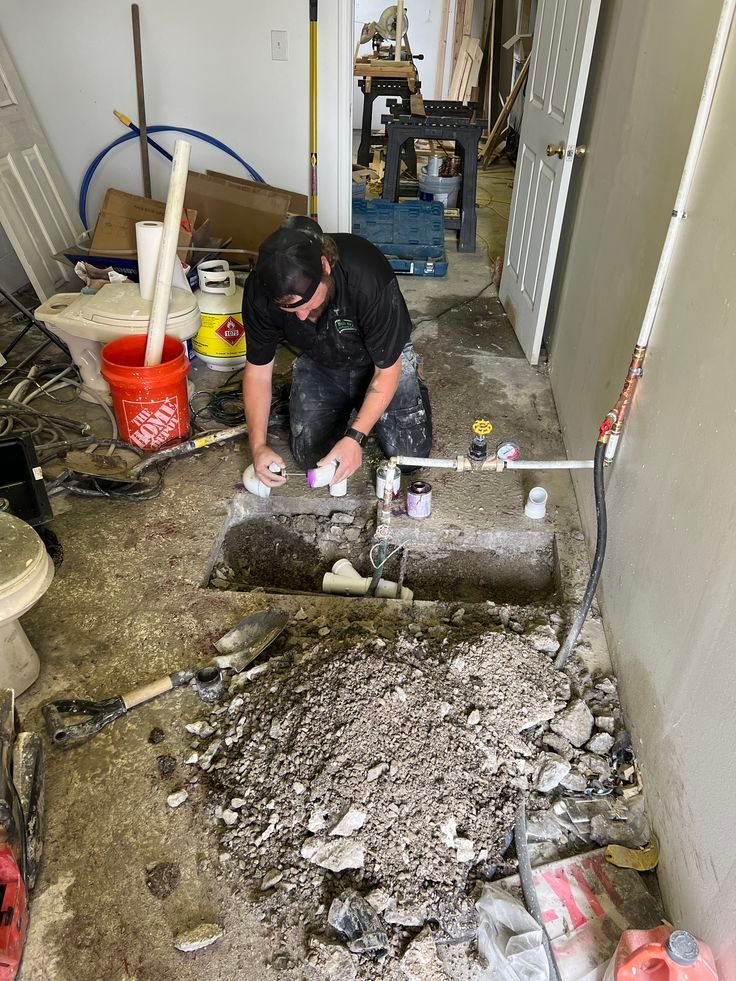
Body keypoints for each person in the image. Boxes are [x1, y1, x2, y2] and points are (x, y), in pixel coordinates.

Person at [242, 217, 432, 489]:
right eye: (291, 311)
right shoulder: (259, 293)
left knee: (409, 458)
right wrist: (258, 445)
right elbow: (258, 373)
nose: (302, 316)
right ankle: (351, 402)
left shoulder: (367, 275)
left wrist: (356, 437)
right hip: (322, 361)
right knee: (312, 458)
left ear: (324, 265)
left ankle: (410, 383)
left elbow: (387, 371)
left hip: (380, 360)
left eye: (306, 304)